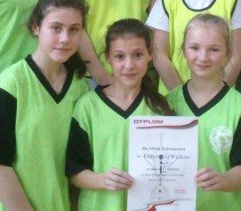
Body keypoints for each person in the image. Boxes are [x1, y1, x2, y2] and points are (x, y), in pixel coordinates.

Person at [0, 0, 91, 211]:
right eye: (56, 28)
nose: (65, 38)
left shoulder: (80, 86)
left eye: (74, 29)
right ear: (36, 27)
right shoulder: (8, 86)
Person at [66, 19, 174, 211]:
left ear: (150, 54)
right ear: (108, 58)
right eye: (119, 57)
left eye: (138, 55)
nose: (129, 65)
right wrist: (103, 180)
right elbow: (75, 171)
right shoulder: (87, 107)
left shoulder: (161, 109)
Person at [166, 14, 241, 211]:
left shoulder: (240, 108)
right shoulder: (167, 104)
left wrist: (223, 179)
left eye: (214, 50)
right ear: (183, 50)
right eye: (195, 48)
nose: (203, 57)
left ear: (227, 54)